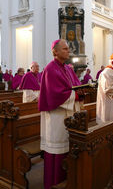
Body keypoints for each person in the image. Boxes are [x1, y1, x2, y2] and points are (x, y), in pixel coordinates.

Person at [39, 39, 82, 189]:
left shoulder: (68, 68)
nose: (68, 51)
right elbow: (55, 94)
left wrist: (83, 90)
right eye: (64, 49)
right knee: (57, 150)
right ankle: (53, 183)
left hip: (68, 114)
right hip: (57, 116)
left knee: (67, 148)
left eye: (68, 49)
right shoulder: (51, 68)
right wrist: (76, 95)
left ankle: (66, 181)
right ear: (55, 52)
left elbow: (77, 86)